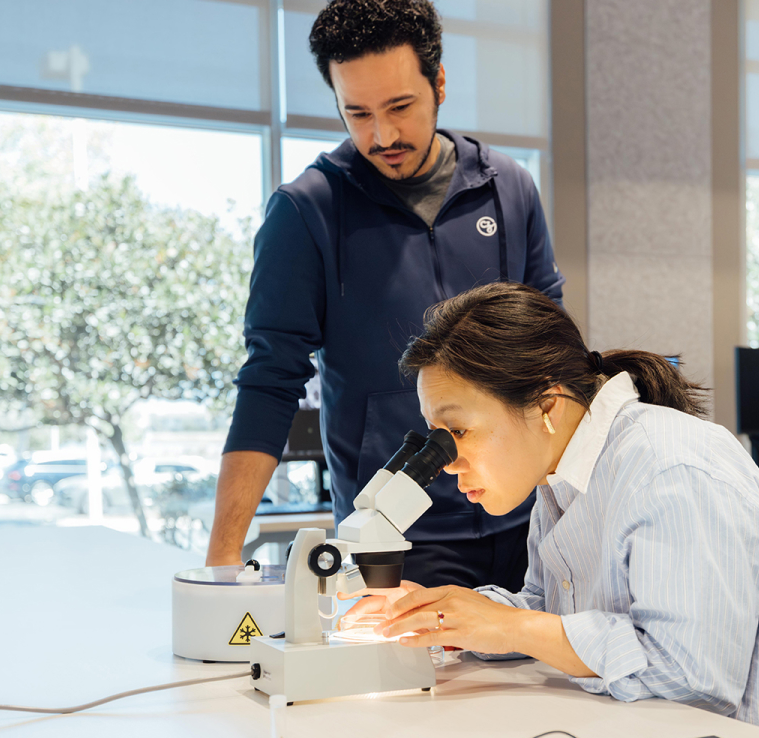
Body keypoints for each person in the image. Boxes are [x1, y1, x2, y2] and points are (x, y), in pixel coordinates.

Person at [351, 282, 759, 738]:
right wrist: (446, 615)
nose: (448, 461)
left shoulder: (671, 467)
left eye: (456, 431)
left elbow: (692, 673)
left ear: (546, 406)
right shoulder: (560, 479)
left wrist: (511, 626)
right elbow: (548, 614)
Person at [207, 0, 563, 592]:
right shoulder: (306, 213)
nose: (383, 135)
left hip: (530, 523)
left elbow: (552, 353)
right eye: (358, 113)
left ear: (439, 82)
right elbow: (270, 381)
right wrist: (220, 564)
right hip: (395, 543)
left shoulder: (509, 190)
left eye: (400, 107)